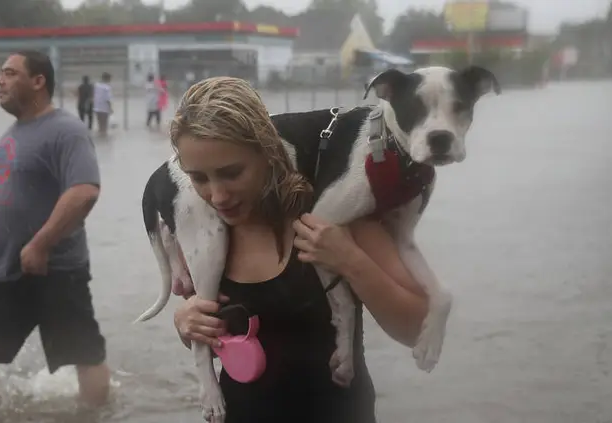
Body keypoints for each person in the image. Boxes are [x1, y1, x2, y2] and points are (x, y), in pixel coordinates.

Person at [170, 77, 429, 423]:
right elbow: (226, 344)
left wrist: (350, 260)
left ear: (268, 152)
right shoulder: (207, 233)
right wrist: (188, 324)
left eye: (231, 173)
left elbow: (417, 329)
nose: (217, 196)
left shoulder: (337, 215)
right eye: (198, 178)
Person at [0, 50, 111, 415]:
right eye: (0, 74)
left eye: (9, 73)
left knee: (83, 355)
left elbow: (85, 191)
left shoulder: (66, 131)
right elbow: (9, 188)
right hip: (0, 267)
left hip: (54, 270)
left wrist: (41, 244)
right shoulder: (13, 133)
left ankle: (98, 415)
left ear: (38, 81)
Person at [92, 72, 113, 136]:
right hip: (104, 108)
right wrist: (110, 108)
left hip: (97, 107)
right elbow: (108, 99)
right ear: (107, 79)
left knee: (100, 124)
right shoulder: (107, 88)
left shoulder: (96, 85)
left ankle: (100, 135)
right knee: (104, 124)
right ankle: (104, 137)